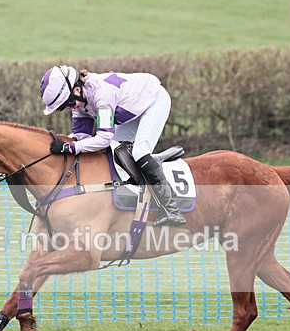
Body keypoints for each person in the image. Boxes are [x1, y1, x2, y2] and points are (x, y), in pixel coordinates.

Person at [39, 65, 186, 226]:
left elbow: (103, 138)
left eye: (70, 102)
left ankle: (172, 209)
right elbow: (81, 138)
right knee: (115, 152)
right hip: (130, 111)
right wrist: (64, 145)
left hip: (153, 101)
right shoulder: (80, 103)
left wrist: (70, 148)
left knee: (140, 152)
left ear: (77, 90)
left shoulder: (101, 95)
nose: (70, 107)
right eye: (63, 107)